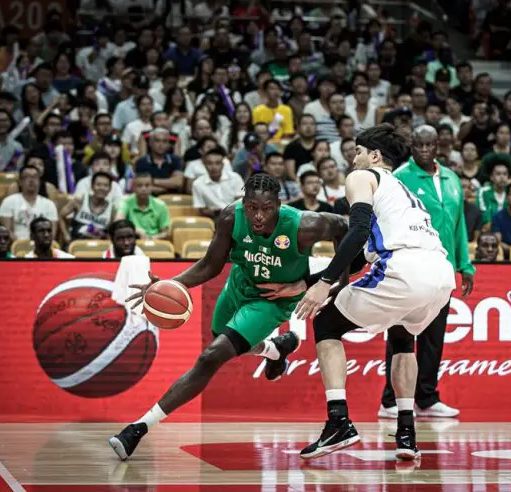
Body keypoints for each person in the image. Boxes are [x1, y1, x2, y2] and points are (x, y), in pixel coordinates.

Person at [109, 173, 350, 461]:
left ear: (278, 205)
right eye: (251, 207)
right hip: (238, 284)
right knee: (222, 340)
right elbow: (210, 265)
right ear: (243, 203)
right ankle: (275, 349)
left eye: (266, 208)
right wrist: (169, 285)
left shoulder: (305, 225)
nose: (258, 215)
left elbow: (344, 227)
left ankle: (138, 428)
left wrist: (329, 282)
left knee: (210, 357)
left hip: (271, 300)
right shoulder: (230, 217)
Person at [289, 124, 456, 460]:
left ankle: (338, 422)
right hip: (441, 274)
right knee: (402, 338)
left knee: (326, 324)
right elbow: (358, 259)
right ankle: (406, 433)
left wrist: (323, 284)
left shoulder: (363, 177)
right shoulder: (403, 191)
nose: (353, 160)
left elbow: (357, 230)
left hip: (405, 269)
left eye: (358, 152)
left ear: (375, 156)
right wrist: (310, 282)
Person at [378, 124, 473, 419]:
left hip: (442, 270)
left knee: (434, 337)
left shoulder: (452, 179)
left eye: (429, 145)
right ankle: (390, 400)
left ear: (437, 147)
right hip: (410, 268)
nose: (423, 150)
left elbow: (458, 225)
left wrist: (465, 265)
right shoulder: (400, 178)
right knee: (402, 335)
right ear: (411, 147)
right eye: (418, 145)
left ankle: (427, 398)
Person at [0, 165, 59, 241]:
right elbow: (6, 231)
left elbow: (52, 234)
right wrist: (20, 245)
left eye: (35, 177)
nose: (31, 180)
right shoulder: (9, 202)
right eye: (27, 177)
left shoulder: (49, 205)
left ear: (39, 181)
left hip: (42, 245)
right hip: (16, 244)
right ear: (20, 182)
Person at [61, 171, 116, 243]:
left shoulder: (111, 209)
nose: (102, 188)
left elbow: (111, 232)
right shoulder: (80, 200)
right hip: (77, 243)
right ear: (92, 186)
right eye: (98, 184)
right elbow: (61, 215)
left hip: (99, 246)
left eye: (106, 185)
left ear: (110, 189)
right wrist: (66, 235)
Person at [191, 147, 245, 218]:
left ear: (223, 164)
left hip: (235, 216)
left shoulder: (235, 178)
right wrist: (214, 212)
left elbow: (241, 202)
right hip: (212, 218)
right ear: (205, 165)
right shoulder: (198, 184)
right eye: (209, 163)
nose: (214, 167)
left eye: (218, 163)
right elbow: (201, 209)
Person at [117, 173, 171, 240]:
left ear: (152, 187)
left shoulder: (160, 205)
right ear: (134, 188)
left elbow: (166, 233)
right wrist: (136, 230)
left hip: (154, 241)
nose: (143, 189)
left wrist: (150, 238)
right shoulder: (126, 202)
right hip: (132, 241)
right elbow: (118, 222)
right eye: (139, 186)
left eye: (147, 185)